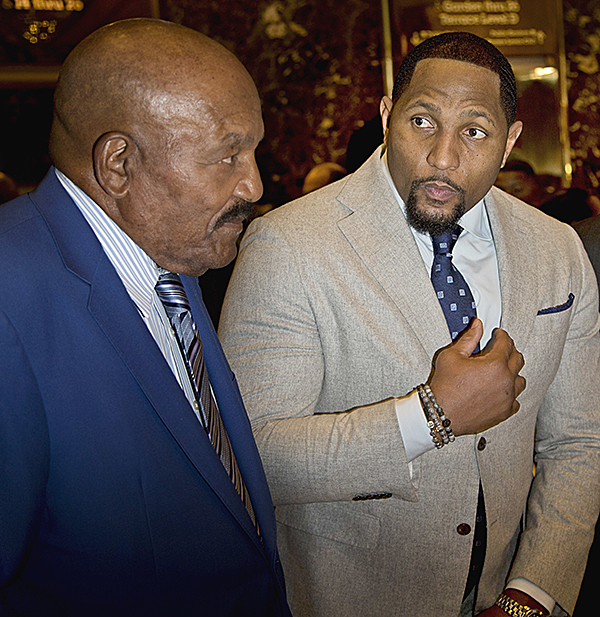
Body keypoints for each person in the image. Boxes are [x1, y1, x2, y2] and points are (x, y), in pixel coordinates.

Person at [219, 32, 600, 617]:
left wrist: (533, 594)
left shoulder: (557, 249)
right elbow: (251, 458)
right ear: (386, 115)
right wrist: (431, 416)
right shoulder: (289, 244)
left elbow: (579, 442)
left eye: (475, 131)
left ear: (510, 143)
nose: (444, 156)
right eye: (422, 121)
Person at [0, 18, 291, 617]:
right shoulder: (10, 296)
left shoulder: (167, 255)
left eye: (254, 149)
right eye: (226, 154)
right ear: (119, 164)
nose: (254, 182)